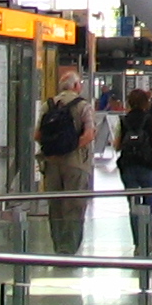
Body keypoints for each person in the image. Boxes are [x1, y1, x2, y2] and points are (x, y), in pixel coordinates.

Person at [35, 67, 95, 256]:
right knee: (74, 205)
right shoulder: (83, 106)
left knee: (56, 205)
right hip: (76, 163)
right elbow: (89, 134)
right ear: (76, 86)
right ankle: (70, 247)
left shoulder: (48, 105)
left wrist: (54, 147)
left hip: (52, 163)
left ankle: (58, 245)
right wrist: (70, 146)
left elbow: (37, 134)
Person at [117, 88, 152, 252]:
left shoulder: (123, 120)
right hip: (148, 165)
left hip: (128, 166)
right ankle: (149, 241)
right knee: (149, 204)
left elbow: (117, 145)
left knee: (133, 204)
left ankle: (137, 243)